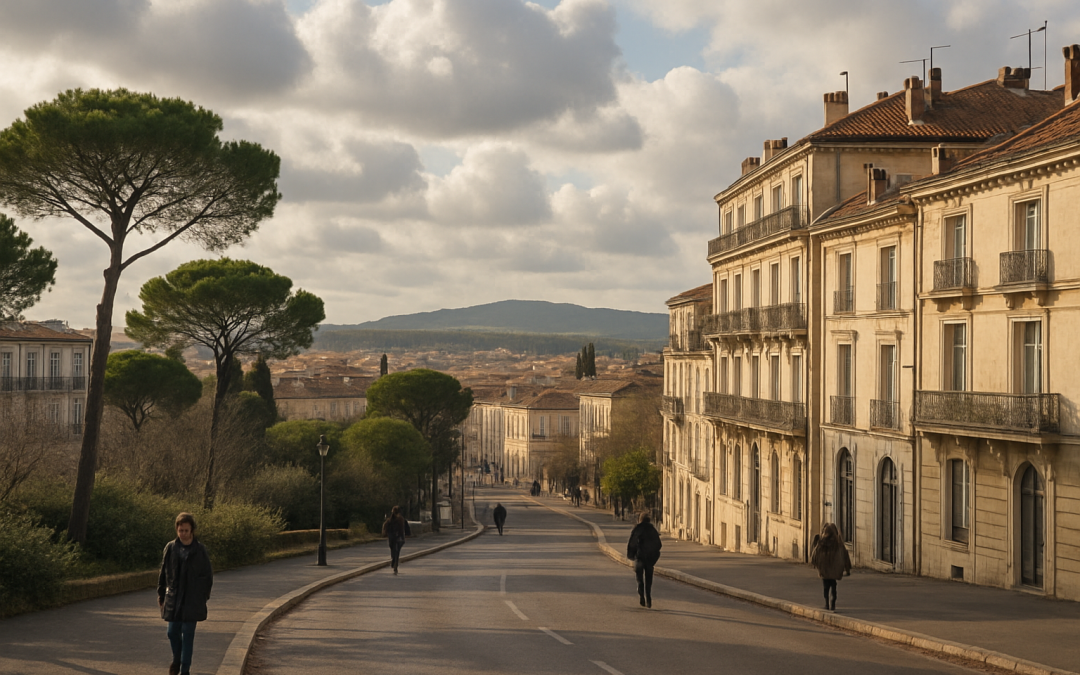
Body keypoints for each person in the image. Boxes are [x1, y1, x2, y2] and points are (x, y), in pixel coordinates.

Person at [158, 512, 213, 675]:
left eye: (186, 530)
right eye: (180, 530)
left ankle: (185, 670)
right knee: (172, 632)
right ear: (177, 529)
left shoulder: (200, 550)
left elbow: (208, 576)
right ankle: (177, 660)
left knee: (188, 635)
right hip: (174, 599)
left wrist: (202, 597)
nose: (183, 533)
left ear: (192, 531)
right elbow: (163, 572)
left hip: (192, 600)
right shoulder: (171, 548)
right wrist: (161, 594)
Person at [810, 522, 852, 611]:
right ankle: (833, 604)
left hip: (824, 570)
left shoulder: (821, 543)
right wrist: (847, 569)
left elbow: (814, 555)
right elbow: (845, 556)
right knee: (833, 586)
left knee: (826, 587)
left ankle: (826, 604)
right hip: (834, 571)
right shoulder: (838, 543)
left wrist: (815, 564)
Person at [626, 512, 662, 608]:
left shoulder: (637, 529)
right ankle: (649, 597)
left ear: (640, 519)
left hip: (640, 557)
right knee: (649, 579)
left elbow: (632, 543)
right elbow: (659, 544)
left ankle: (641, 594)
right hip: (650, 559)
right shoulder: (652, 530)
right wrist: (654, 555)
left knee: (639, 578)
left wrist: (631, 555)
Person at [382, 506, 411, 574]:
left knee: (394, 550)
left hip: (393, 538)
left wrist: (385, 534)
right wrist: (407, 534)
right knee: (396, 551)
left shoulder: (390, 520)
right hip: (398, 538)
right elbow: (406, 529)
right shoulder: (401, 520)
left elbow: (385, 528)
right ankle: (395, 561)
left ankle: (394, 561)